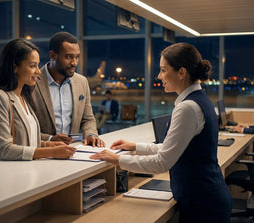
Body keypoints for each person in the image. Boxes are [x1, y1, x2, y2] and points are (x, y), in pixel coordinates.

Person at [90, 43, 232, 222]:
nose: (159, 76)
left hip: (202, 203)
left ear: (181, 72)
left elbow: (162, 163)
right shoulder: (199, 100)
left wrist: (118, 160)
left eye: (164, 70)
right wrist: (135, 146)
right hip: (206, 196)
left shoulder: (188, 108)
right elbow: (171, 148)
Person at [0, 39, 76, 163]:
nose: (38, 71)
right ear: (14, 67)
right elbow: (4, 149)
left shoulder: (22, 97)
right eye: (32, 66)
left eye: (38, 65)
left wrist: (48, 145)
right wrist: (51, 152)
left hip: (25, 173)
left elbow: (26, 141)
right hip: (3, 175)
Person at [25, 31, 104, 147]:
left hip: (73, 152)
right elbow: (25, 128)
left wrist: (91, 134)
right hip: (41, 153)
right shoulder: (31, 82)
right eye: (68, 57)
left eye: (77, 57)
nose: (74, 63)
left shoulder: (81, 82)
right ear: (52, 55)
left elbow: (87, 118)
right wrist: (50, 139)